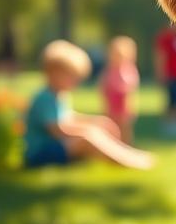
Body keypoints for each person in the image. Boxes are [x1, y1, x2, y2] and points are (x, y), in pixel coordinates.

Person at [24, 39, 151, 170]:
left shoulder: (59, 95)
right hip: (40, 153)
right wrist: (86, 131)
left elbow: (69, 117)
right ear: (54, 73)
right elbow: (56, 130)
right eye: (71, 77)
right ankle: (126, 161)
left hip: (56, 147)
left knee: (95, 131)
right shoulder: (45, 98)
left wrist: (95, 122)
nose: (75, 82)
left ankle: (128, 153)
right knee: (87, 139)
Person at [153, 22, 176, 135]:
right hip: (170, 74)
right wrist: (161, 74)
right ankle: (171, 124)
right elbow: (161, 57)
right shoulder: (165, 38)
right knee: (172, 100)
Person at [101, 35, 140, 143]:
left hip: (124, 105)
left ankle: (126, 144)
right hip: (112, 104)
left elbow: (130, 88)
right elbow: (104, 86)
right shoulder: (109, 71)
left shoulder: (128, 69)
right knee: (112, 127)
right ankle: (114, 145)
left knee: (125, 128)